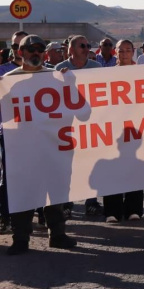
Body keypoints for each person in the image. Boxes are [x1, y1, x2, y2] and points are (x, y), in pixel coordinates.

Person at [5, 35, 77, 255]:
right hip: (22, 149)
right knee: (23, 192)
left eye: (39, 49)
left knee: (56, 191)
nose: (35, 52)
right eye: (31, 49)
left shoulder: (55, 77)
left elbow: (77, 108)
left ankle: (57, 234)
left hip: (53, 145)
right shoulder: (9, 80)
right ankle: (20, 238)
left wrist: (69, 85)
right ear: (21, 53)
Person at [55, 35, 103, 216]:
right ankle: (67, 202)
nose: (87, 48)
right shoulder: (60, 69)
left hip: (91, 124)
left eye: (88, 45)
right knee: (69, 165)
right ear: (72, 50)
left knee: (90, 163)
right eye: (82, 45)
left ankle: (92, 201)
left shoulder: (96, 68)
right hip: (68, 125)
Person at [102, 40, 144, 222]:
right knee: (113, 168)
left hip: (136, 126)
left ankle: (133, 209)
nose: (125, 53)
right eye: (121, 50)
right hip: (112, 126)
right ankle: (112, 210)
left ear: (133, 52)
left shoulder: (142, 73)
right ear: (115, 52)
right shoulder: (105, 73)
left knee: (134, 166)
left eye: (128, 50)